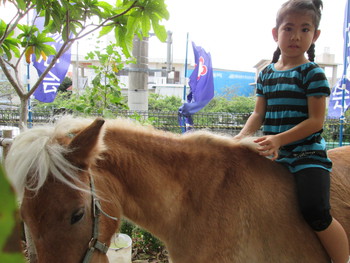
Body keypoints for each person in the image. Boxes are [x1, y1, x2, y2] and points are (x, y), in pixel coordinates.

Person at [234, 0, 350, 262]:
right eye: (288, 28)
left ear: (315, 35)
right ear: (276, 34)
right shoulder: (266, 75)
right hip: (272, 154)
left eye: (305, 29)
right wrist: (241, 138)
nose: (296, 36)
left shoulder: (313, 74)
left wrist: (279, 139)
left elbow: (316, 121)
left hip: (306, 156)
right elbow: (258, 114)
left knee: (316, 211)